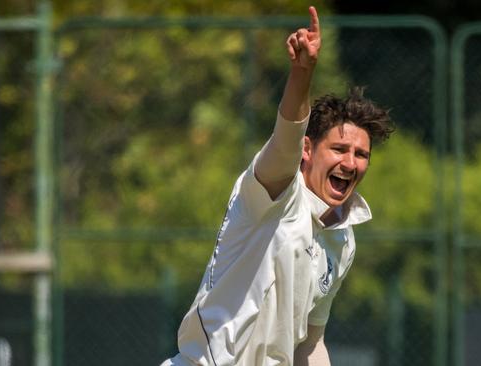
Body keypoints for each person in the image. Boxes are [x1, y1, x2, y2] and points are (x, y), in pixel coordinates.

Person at [162, 6, 394, 366]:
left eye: (361, 154)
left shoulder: (343, 239)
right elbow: (286, 136)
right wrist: (302, 72)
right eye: (339, 149)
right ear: (307, 150)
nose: (350, 163)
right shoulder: (277, 195)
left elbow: (309, 344)